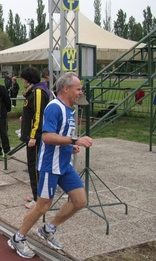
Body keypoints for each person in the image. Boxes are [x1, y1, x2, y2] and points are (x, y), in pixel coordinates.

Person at [7, 72, 93, 258]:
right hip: (50, 165)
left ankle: (48, 229)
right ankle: (18, 237)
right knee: (43, 205)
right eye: (78, 89)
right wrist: (75, 140)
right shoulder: (55, 107)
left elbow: (61, 136)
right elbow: (46, 136)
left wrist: (70, 146)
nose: (80, 92)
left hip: (64, 164)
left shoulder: (68, 109)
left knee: (80, 201)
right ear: (66, 89)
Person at [19, 67, 50, 209]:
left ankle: (38, 199)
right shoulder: (33, 91)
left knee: (34, 166)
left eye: (24, 78)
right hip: (30, 135)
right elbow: (31, 112)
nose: (23, 81)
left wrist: (33, 136)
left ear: (28, 79)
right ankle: (36, 193)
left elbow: (39, 115)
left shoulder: (37, 92)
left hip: (35, 138)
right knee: (32, 166)